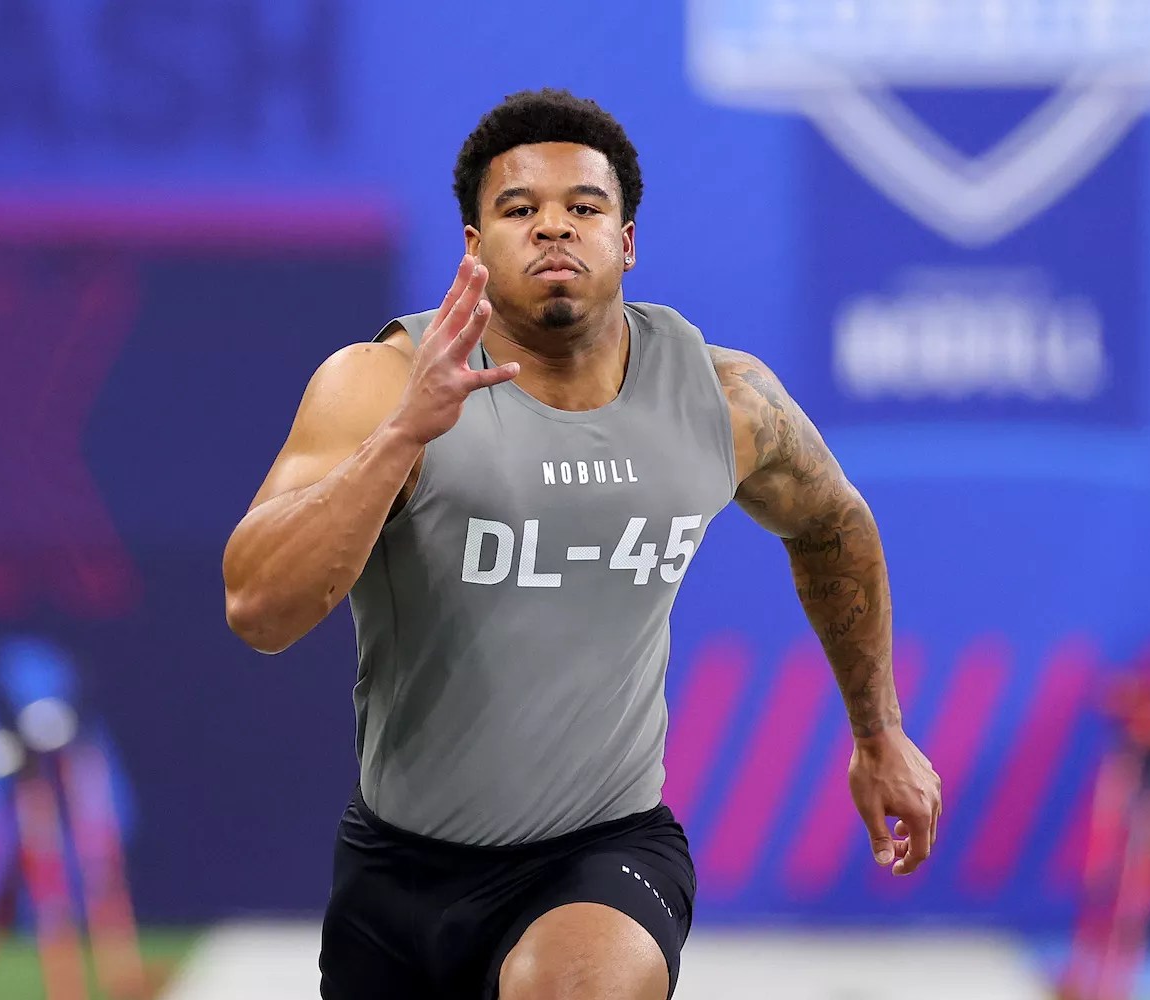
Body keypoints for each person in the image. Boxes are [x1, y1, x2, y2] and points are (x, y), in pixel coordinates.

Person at [222, 88, 942, 1000]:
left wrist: (879, 733)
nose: (553, 228)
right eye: (519, 210)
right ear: (475, 249)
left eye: (584, 208)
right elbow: (258, 611)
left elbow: (833, 525)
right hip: (397, 872)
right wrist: (403, 437)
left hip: (605, 853)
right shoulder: (379, 384)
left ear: (628, 241)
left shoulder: (724, 398)